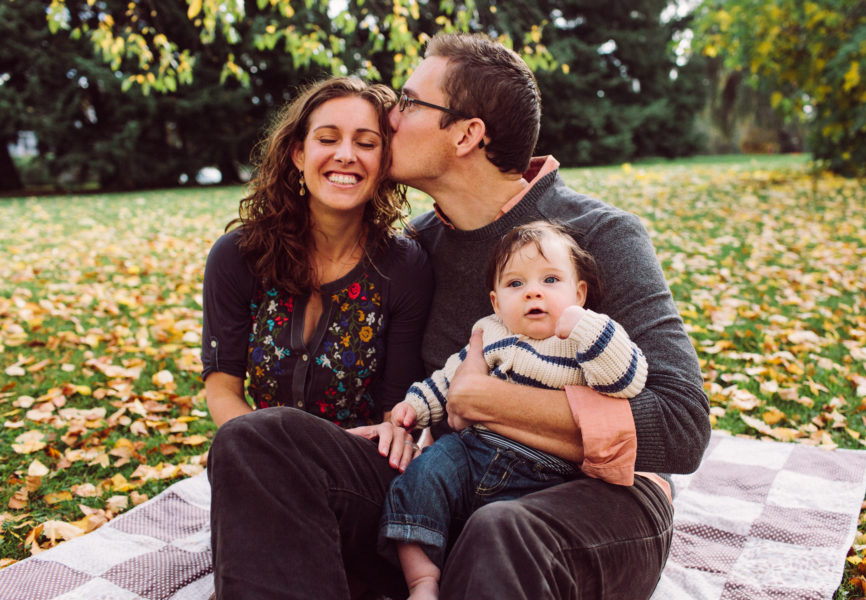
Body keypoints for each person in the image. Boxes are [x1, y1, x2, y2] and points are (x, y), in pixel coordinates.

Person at [207, 33, 710, 600]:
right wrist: (394, 426)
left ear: (467, 133)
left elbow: (684, 427)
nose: (390, 117)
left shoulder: (602, 235)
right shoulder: (416, 249)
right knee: (257, 441)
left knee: (499, 530)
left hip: (585, 507)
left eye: (409, 101)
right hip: (443, 490)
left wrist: (491, 402)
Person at [201, 77, 434, 596]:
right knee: (242, 442)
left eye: (366, 142)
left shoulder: (404, 266)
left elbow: (394, 410)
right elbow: (221, 389)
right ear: (295, 154)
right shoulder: (237, 257)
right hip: (261, 461)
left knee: (248, 449)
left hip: (362, 473)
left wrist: (367, 434)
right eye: (327, 138)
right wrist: (279, 448)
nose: (345, 155)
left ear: (384, 162)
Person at [381, 221, 650, 599]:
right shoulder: (491, 333)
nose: (533, 293)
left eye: (551, 280)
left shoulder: (587, 340)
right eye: (515, 284)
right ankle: (422, 581)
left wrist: (585, 327)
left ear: (580, 292)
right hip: (472, 450)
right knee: (421, 477)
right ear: (496, 302)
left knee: (511, 527)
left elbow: (628, 380)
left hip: (549, 470)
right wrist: (412, 408)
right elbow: (449, 382)